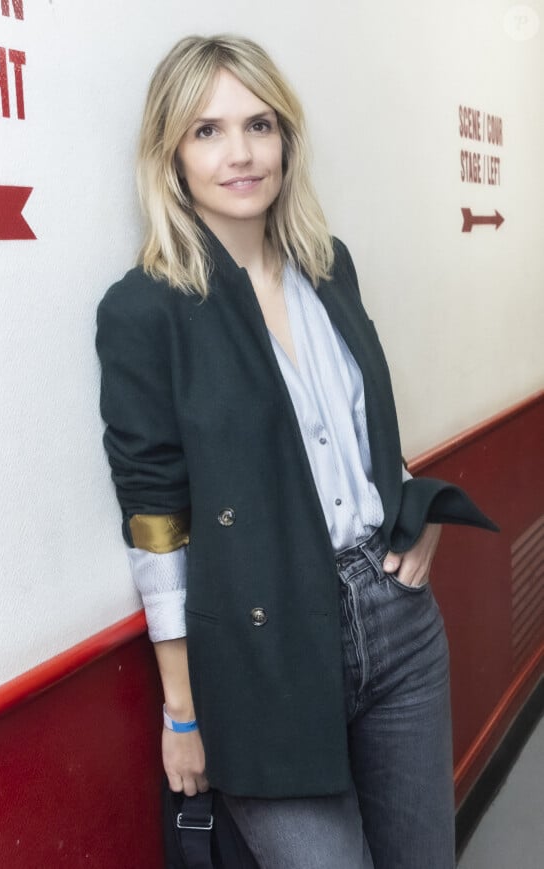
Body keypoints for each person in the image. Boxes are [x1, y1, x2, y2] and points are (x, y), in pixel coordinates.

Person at [96, 34, 497, 869]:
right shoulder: (147, 309)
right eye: (206, 131)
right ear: (169, 154)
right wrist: (182, 713)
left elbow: (358, 437)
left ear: (287, 138)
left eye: (259, 125)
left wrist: (411, 512)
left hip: (396, 622)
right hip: (262, 648)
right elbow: (155, 518)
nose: (239, 153)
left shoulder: (328, 265)